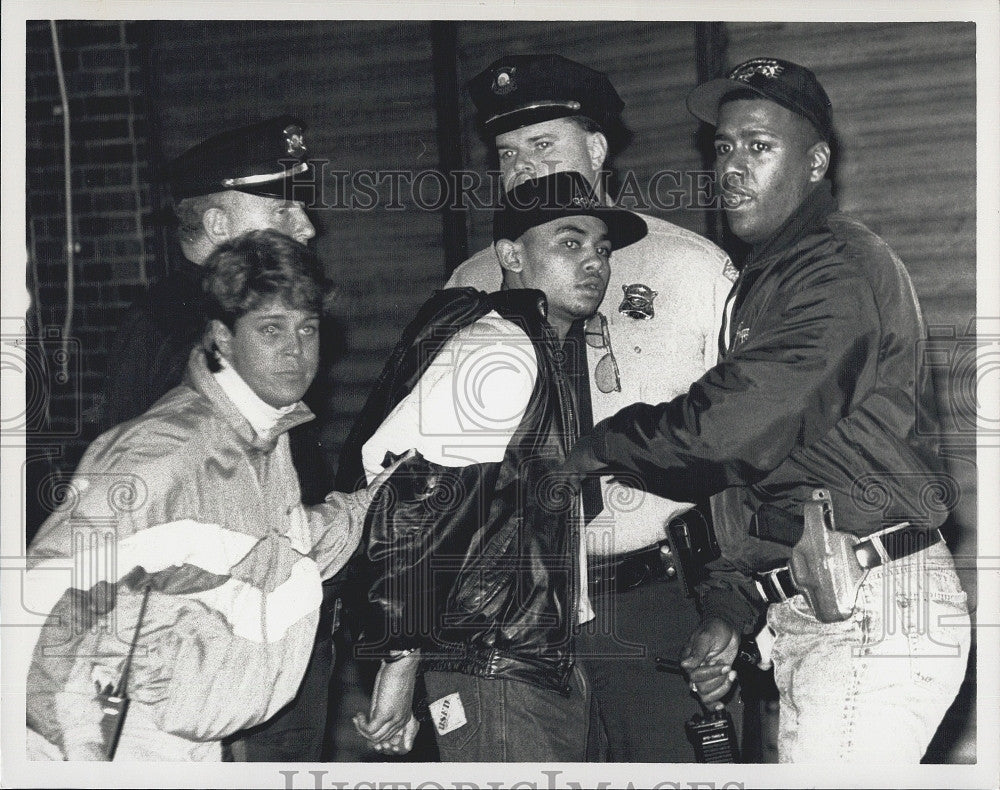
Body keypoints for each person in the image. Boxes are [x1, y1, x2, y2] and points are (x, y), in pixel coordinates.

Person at [562, 57, 971, 763]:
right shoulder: (767, 279)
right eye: (722, 147)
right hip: (822, 604)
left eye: (759, 146)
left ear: (815, 163)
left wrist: (600, 445)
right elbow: (768, 479)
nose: (731, 166)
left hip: (873, 608)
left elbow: (735, 428)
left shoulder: (838, 265)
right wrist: (728, 608)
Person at [445, 53, 737, 761]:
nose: (525, 168)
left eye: (544, 144)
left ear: (597, 150)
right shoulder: (472, 284)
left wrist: (735, 605)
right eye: (509, 153)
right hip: (520, 615)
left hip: (657, 600)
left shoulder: (690, 269)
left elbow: (747, 443)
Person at [24, 230, 399, 761]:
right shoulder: (165, 452)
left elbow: (279, 547)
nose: (295, 349)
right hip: (126, 737)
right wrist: (74, 754)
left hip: (203, 740)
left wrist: (375, 500)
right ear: (223, 336)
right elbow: (48, 602)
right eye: (271, 328)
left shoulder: (265, 436)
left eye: (307, 328)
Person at [350, 171, 648, 761]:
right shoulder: (499, 350)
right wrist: (400, 663)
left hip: (527, 656)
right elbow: (412, 502)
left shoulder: (536, 346)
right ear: (511, 254)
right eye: (569, 243)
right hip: (493, 661)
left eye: (602, 249)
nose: (594, 263)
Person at [94, 115, 340, 761]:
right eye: (286, 211)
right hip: (216, 666)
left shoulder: (261, 319)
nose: (308, 228)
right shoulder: (177, 329)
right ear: (219, 227)